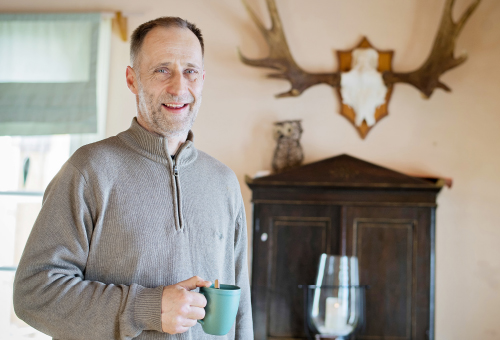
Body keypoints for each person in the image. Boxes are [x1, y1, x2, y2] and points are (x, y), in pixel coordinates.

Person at [13, 17, 253, 340]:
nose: (179, 87)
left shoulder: (224, 182)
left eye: (190, 71)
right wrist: (147, 307)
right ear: (132, 79)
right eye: (162, 70)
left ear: (202, 79)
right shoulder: (87, 170)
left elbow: (241, 315)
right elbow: (34, 293)